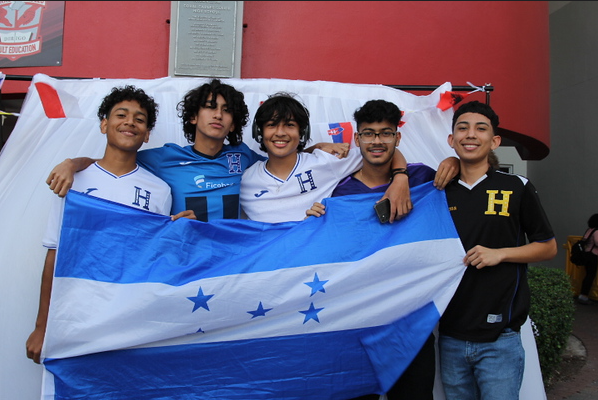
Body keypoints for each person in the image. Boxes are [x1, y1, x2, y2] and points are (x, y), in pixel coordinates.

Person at [45, 80, 366, 222]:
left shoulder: (244, 158)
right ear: (193, 117)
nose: (217, 115)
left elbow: (280, 155)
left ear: (234, 121)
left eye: (226, 110)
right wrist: (72, 163)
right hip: (188, 259)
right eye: (209, 108)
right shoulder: (163, 158)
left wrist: (312, 147)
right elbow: (117, 156)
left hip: (236, 257)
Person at [305, 99, 445, 400]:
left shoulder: (423, 178)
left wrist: (452, 163)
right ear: (357, 139)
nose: (377, 141)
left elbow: (467, 184)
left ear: (398, 137)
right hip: (357, 320)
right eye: (368, 133)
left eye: (385, 133)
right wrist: (314, 225)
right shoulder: (341, 191)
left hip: (411, 323)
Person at [26, 85, 174, 364]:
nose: (130, 122)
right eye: (121, 115)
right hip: (77, 311)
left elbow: (154, 257)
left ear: (147, 134)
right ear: (105, 124)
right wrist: (42, 326)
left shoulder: (159, 190)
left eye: (139, 119)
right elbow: (55, 253)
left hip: (131, 315)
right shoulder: (72, 181)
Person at [438, 100, 557, 400]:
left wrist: (500, 253)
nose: (471, 135)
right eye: (462, 128)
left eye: (481, 128)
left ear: (495, 140)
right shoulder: (437, 191)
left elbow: (548, 247)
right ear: (451, 140)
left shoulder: (517, 186)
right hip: (450, 335)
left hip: (499, 339)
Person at [240, 93, 419, 223]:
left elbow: (379, 149)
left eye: (289, 125)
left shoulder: (327, 162)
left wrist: (400, 178)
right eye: (271, 125)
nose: (280, 133)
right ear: (259, 132)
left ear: (301, 132)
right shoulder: (245, 179)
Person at [577, 213, 598, 305]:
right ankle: (584, 296)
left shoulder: (589, 230)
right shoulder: (597, 231)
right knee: (590, 276)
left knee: (588, 275)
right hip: (593, 256)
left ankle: (582, 295)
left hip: (586, 255)